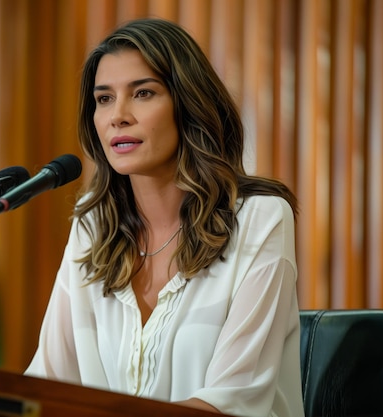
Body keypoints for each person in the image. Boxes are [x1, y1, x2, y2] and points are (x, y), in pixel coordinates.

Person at [22, 18, 305, 417]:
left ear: (187, 104)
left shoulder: (258, 219)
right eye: (103, 99)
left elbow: (233, 402)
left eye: (143, 93)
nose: (118, 115)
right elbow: (47, 387)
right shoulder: (92, 227)